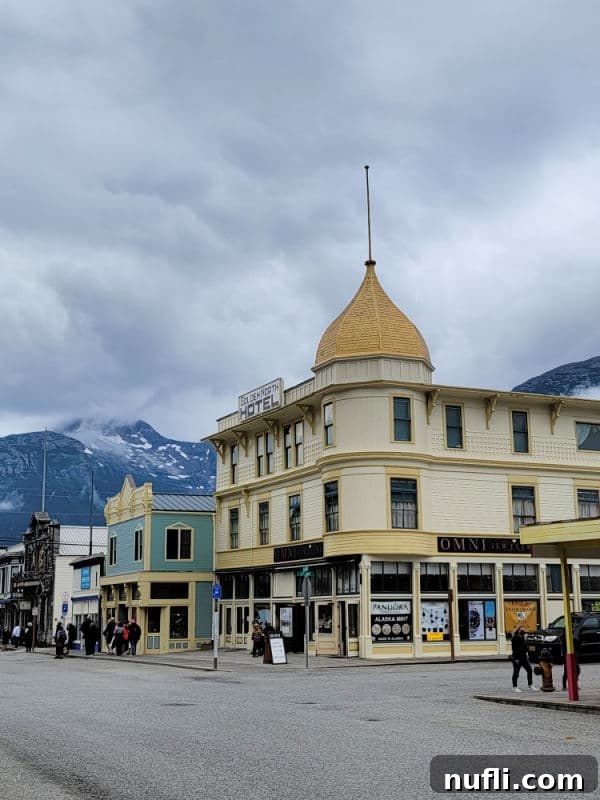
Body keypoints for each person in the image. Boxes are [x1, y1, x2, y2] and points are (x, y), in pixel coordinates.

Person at [511, 625, 537, 692]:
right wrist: (516, 658)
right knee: (516, 672)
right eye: (521, 629)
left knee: (529, 670)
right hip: (517, 657)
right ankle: (514, 687)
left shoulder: (522, 637)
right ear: (518, 630)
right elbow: (515, 649)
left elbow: (525, 647)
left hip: (523, 657)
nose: (523, 630)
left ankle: (530, 685)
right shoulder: (515, 638)